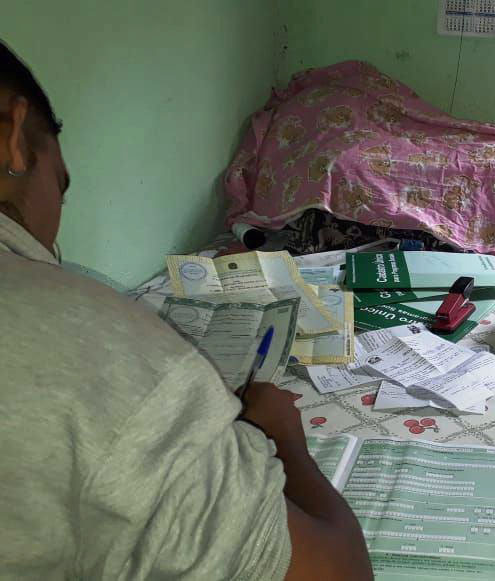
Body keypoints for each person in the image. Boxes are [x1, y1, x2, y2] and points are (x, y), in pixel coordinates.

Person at [0, 43, 372, 579]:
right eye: (62, 186)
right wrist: (288, 442)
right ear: (14, 137)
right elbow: (338, 572)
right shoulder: (88, 350)